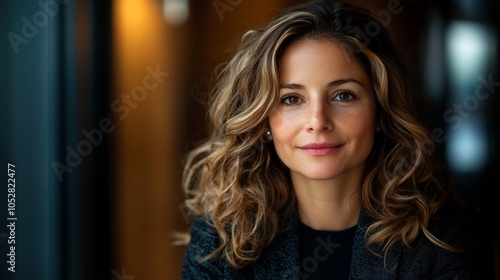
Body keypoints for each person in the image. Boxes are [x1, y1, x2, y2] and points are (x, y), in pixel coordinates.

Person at [178, 0, 495, 279]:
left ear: (381, 111)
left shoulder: (449, 239)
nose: (317, 121)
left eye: (344, 95)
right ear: (264, 121)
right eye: (291, 99)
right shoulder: (217, 244)